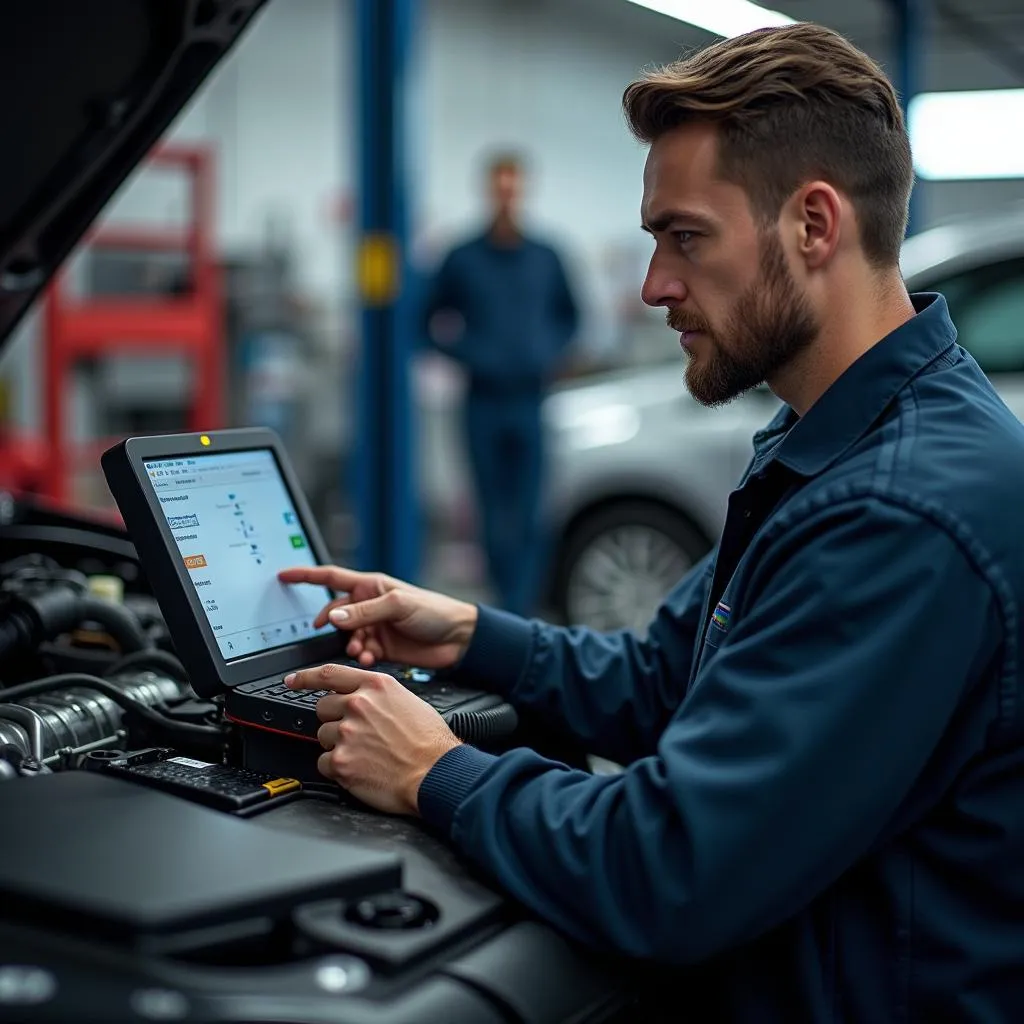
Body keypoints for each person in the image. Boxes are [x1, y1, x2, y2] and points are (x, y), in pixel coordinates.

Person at [280, 23, 1024, 1021]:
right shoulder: (832, 441)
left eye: (685, 237)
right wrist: (466, 632)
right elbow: (669, 680)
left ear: (813, 225)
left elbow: (670, 869)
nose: (653, 287)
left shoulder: (897, 511)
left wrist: (433, 770)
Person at [422, 152, 579, 616]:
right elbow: (426, 321)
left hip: (531, 400)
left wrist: (549, 353)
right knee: (491, 515)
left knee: (531, 513)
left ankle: (521, 608)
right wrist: (472, 355)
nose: (507, 194)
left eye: (515, 185)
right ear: (489, 189)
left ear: (523, 189)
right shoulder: (463, 257)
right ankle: (503, 606)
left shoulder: (546, 257)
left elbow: (571, 318)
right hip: (481, 402)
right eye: (500, 185)